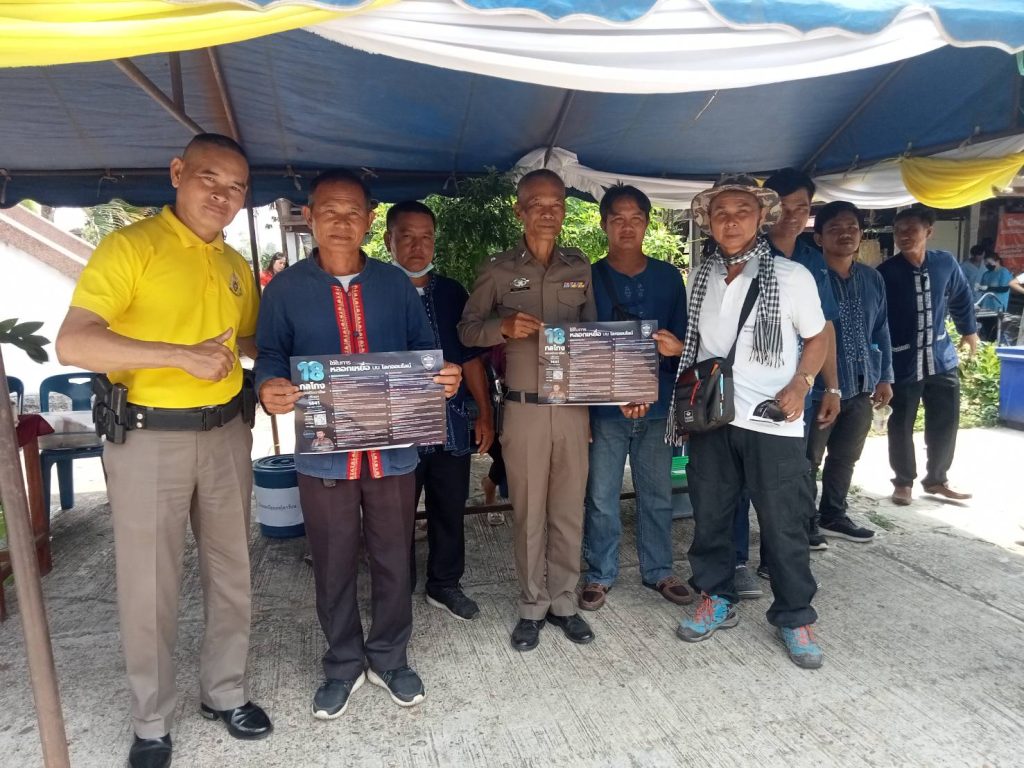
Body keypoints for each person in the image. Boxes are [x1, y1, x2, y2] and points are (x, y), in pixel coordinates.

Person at [55, 133, 271, 768]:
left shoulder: (234, 265)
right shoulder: (131, 247)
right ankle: (151, 721)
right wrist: (179, 356)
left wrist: (310, 365)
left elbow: (250, 342)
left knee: (232, 569)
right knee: (149, 583)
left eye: (236, 188)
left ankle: (225, 691)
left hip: (227, 433)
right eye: (209, 178)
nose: (222, 196)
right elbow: (74, 343)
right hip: (148, 438)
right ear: (178, 172)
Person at [256, 169, 462, 719]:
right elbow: (272, 353)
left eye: (353, 213)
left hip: (392, 452)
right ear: (309, 216)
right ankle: (343, 662)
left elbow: (423, 350)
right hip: (324, 454)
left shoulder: (394, 285)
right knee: (333, 560)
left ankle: (390, 656)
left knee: (394, 555)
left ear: (370, 220)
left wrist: (444, 376)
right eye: (330, 211)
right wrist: (268, 385)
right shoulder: (285, 289)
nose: (342, 222)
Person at [669, 174, 828, 669]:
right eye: (721, 212)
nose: (731, 221)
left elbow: (818, 337)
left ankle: (794, 615)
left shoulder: (791, 276)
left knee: (784, 523)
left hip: (773, 419)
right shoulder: (701, 278)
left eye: (742, 211)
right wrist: (678, 349)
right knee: (712, 515)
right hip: (715, 416)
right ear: (709, 222)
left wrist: (802, 382)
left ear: (761, 218)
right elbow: (704, 345)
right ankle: (715, 596)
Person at [458, 168, 596, 652]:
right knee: (529, 512)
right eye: (537, 204)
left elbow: (594, 339)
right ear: (520, 211)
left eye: (556, 203)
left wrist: (591, 407)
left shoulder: (580, 267)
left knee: (568, 510)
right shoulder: (497, 269)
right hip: (523, 409)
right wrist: (503, 327)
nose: (548, 212)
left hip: (572, 408)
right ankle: (532, 605)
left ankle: (564, 602)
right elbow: (466, 330)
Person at [577, 185, 692, 612]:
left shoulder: (669, 278)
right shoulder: (587, 278)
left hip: (657, 408)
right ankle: (600, 573)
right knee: (601, 497)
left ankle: (659, 569)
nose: (627, 227)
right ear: (603, 224)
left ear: (647, 223)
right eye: (617, 219)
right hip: (605, 410)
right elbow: (581, 348)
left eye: (636, 219)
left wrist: (665, 363)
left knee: (657, 493)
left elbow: (682, 344)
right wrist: (611, 395)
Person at [384, 200, 494, 621]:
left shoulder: (451, 292)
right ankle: (396, 589)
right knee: (394, 515)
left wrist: (484, 413)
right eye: (407, 237)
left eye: (426, 237)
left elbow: (470, 357)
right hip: (397, 426)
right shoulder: (374, 291)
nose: (417, 246)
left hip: (451, 422)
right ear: (389, 240)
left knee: (449, 507)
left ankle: (445, 583)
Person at [733, 168, 840, 594]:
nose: (793, 215)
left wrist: (827, 386)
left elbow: (822, 330)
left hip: (794, 393)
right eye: (785, 206)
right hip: (739, 397)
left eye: (802, 207)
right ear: (767, 210)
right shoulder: (738, 254)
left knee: (785, 487)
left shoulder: (810, 262)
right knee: (733, 486)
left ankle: (776, 567)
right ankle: (736, 561)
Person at [805, 202, 893, 543]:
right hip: (819, 389)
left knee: (845, 457)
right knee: (808, 459)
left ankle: (833, 515)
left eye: (852, 228)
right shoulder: (810, 279)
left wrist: (884, 376)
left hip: (861, 385)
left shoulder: (872, 278)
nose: (845, 234)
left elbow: (881, 329)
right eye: (835, 229)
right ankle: (804, 522)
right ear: (819, 238)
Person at [878, 206, 978, 506]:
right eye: (899, 231)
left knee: (946, 421)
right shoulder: (886, 273)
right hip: (903, 362)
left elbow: (961, 296)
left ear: (929, 232)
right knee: (900, 423)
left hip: (941, 358)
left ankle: (937, 479)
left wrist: (969, 331)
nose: (903, 236)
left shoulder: (944, 262)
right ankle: (903, 482)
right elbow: (878, 321)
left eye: (911, 229)